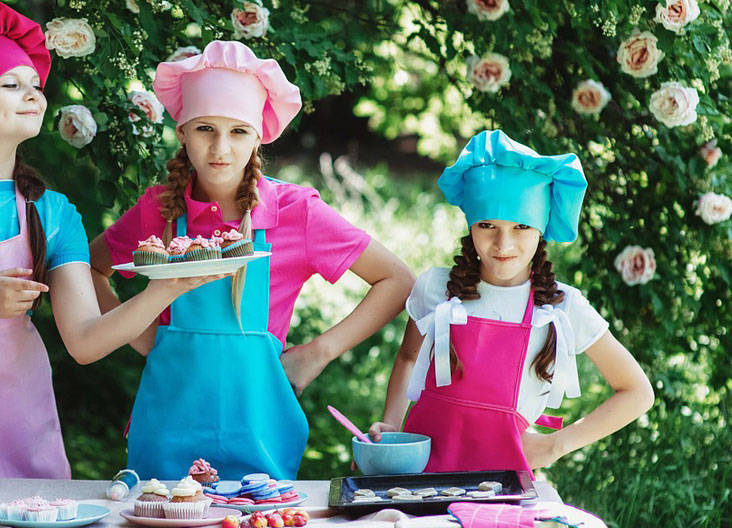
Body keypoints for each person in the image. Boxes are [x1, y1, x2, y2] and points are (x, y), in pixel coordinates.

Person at [0, 1, 219, 479]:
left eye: (36, 87)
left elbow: (84, 341)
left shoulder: (54, 212)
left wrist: (165, 289)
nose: (34, 96)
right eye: (11, 85)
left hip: (19, 423)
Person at [90, 40, 415, 480]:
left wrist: (318, 352)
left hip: (261, 434)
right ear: (182, 131)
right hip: (166, 430)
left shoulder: (295, 212)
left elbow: (396, 280)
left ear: (259, 135)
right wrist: (138, 331)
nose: (220, 147)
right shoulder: (158, 210)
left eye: (238, 131)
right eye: (205, 128)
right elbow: (90, 266)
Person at [365, 130, 654, 473]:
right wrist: (393, 428)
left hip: (500, 488)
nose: (503, 245)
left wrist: (554, 446)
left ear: (541, 230)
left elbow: (637, 391)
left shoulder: (562, 309)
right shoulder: (435, 288)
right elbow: (408, 357)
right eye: (487, 225)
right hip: (417, 478)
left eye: (521, 227)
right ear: (471, 225)